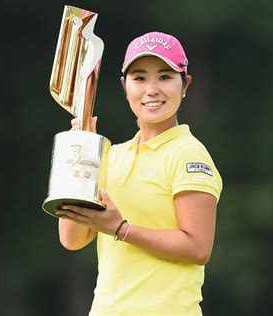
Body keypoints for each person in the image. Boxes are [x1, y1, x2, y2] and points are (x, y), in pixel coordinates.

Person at [55, 31, 223, 316]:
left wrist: (121, 229)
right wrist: (81, 158)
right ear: (125, 85)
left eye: (165, 77)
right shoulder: (110, 156)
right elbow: (72, 239)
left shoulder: (188, 154)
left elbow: (198, 248)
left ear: (186, 84)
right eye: (140, 77)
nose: (152, 89)